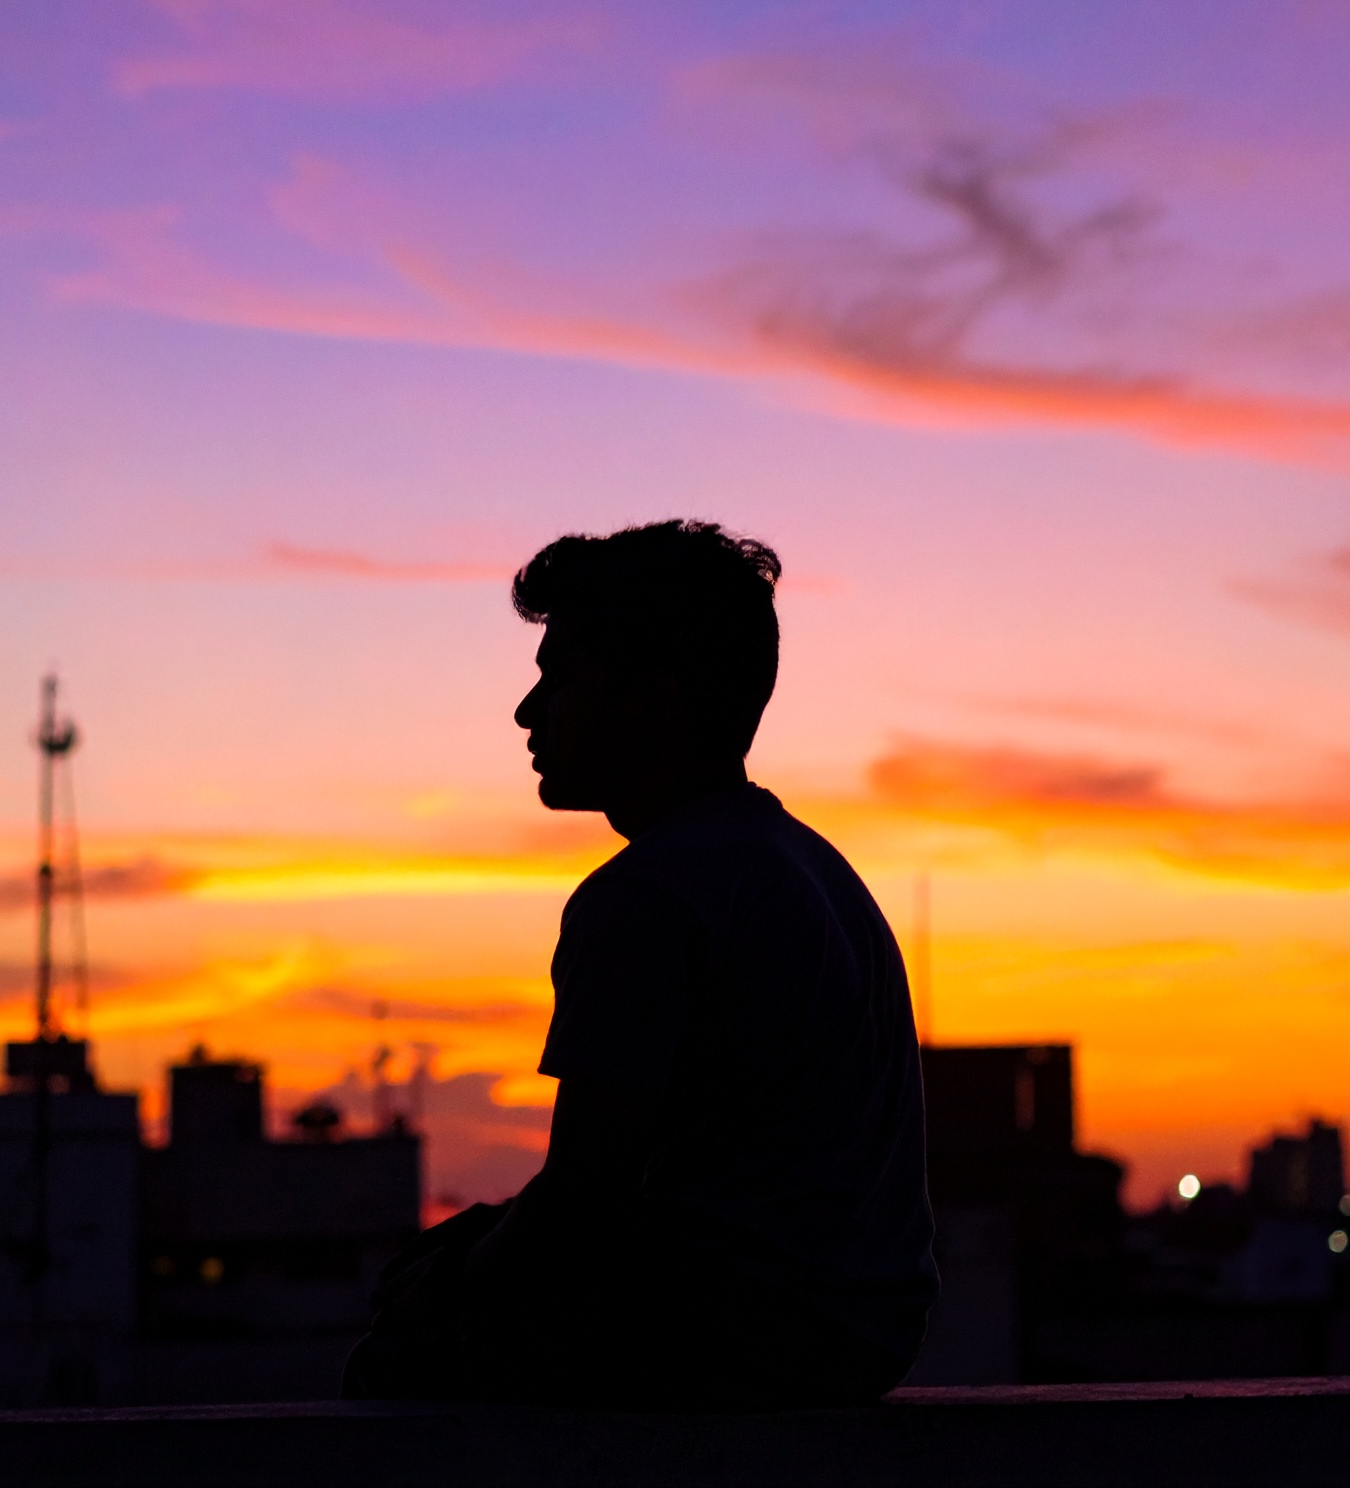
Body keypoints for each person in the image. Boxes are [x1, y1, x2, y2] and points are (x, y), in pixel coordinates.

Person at [344, 519, 935, 1410]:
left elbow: (585, 1202)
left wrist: (445, 1286)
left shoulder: (649, 896)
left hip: (735, 1341)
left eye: (560, 678)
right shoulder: (814, 873)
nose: (527, 712)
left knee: (393, 1374)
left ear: (652, 702)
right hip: (859, 1337)